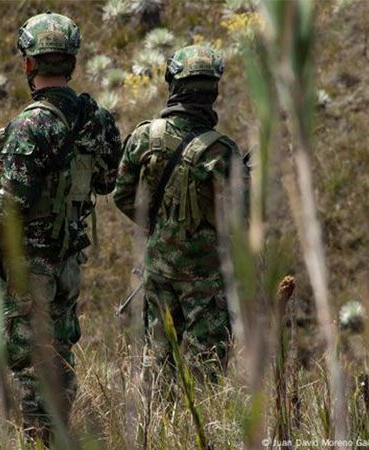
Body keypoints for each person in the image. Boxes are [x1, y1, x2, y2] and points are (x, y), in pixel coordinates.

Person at [0, 11, 122, 443]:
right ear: (71, 62)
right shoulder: (96, 119)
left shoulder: (30, 125)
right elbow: (107, 180)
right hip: (69, 259)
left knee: (30, 361)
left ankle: (40, 438)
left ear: (29, 64)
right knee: (61, 351)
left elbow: (10, 204)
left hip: (32, 266)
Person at [113, 44, 246, 387]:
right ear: (212, 91)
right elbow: (242, 218)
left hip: (157, 272)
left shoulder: (145, 137)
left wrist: (162, 227)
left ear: (173, 83)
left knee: (156, 370)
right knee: (206, 372)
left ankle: (158, 433)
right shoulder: (223, 150)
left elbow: (124, 195)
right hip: (207, 280)